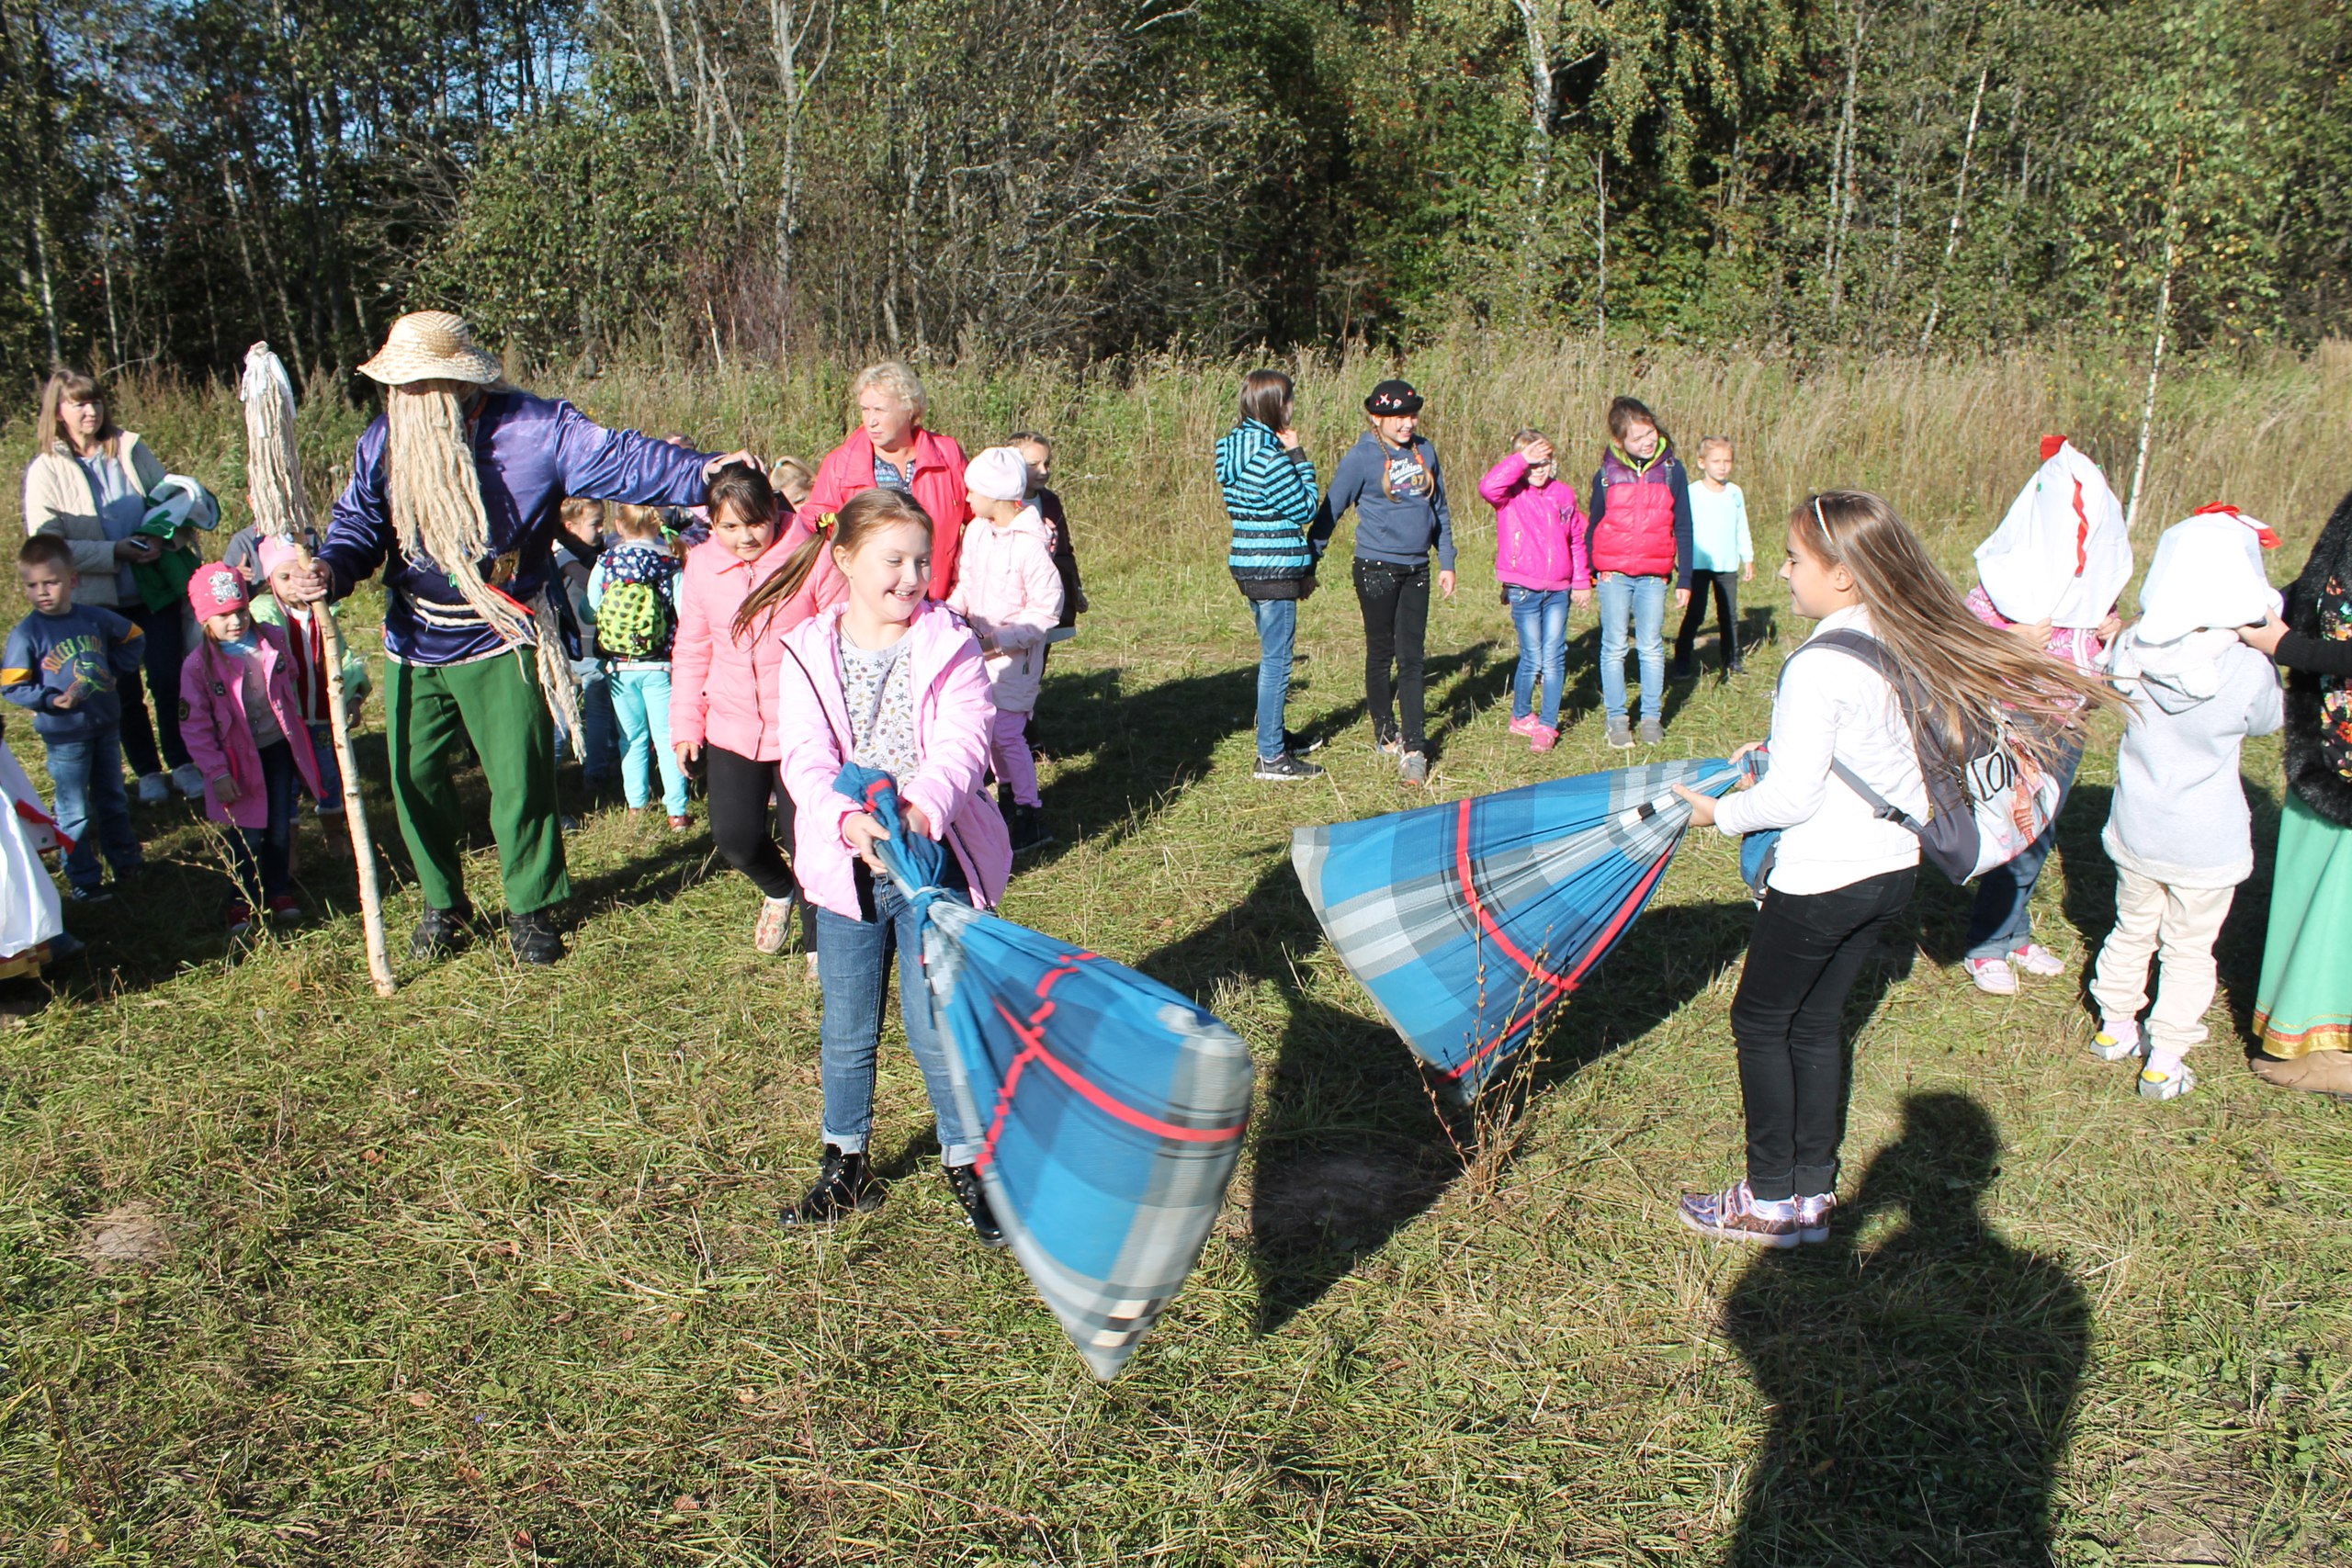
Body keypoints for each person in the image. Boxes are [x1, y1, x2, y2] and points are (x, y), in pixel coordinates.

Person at [1674, 491, 2119, 1246]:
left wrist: (1719, 815)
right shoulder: (1906, 638)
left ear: (1843, 575)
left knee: (1759, 1019)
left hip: (1821, 875)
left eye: (1793, 559)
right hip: (1892, 871)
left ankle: (1768, 1200)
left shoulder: (1819, 664)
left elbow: (1791, 796)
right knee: (1816, 1024)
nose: (1783, 573)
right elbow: (1876, 754)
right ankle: (1811, 1196)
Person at [282, 310, 751, 965]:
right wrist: (329, 569)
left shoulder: (535, 429)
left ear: (460, 385)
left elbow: (619, 457)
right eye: (401, 386)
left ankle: (530, 906)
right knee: (413, 779)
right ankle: (442, 902)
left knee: (520, 778)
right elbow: (359, 524)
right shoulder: (386, 442)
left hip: (503, 633)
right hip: (415, 638)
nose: (407, 399)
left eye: (422, 386)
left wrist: (704, 472)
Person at [772, 487, 1013, 1244]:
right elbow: (806, 755)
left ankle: (966, 1162)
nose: (911, 577)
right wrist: (846, 820)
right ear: (844, 559)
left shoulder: (949, 641)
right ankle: (845, 1165)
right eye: (893, 560)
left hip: (928, 862)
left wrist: (919, 813)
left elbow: (965, 740)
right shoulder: (808, 650)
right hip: (846, 868)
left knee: (936, 1021)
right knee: (846, 1028)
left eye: (921, 561)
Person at [2089, 508, 2284, 1100]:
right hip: (2205, 838)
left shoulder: (2130, 647)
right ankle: (2164, 1056)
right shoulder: (2246, 667)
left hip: (2137, 826)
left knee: (2132, 927)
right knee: (2190, 947)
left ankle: (2115, 1029)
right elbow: (2268, 723)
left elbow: (2109, 675)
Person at [1958, 437, 2131, 995]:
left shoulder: (2091, 585)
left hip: (2068, 722)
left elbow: (2091, 638)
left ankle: (2014, 932)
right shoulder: (2004, 582)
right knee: (2011, 827)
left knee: (2042, 830)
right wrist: (2013, 638)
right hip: (2014, 721)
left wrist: (2111, 627)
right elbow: (1962, 639)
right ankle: (1986, 941)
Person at [20, 367, 204, 803]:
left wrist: (162, 537)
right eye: (79, 403)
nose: (91, 410)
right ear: (59, 412)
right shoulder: (47, 468)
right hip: (96, 601)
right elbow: (47, 544)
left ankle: (182, 763)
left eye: (96, 400)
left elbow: (176, 501)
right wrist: (113, 552)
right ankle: (147, 772)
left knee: (168, 677)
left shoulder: (129, 448)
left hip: (152, 588)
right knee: (120, 689)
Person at [671, 463, 817, 955]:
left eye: (754, 522)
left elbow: (840, 633)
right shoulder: (702, 566)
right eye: (728, 526)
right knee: (734, 838)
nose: (744, 537)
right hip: (731, 725)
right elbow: (691, 648)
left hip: (803, 727)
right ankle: (780, 891)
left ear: (774, 511)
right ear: (711, 523)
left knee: (810, 844)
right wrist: (686, 724)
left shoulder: (811, 557)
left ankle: (823, 945)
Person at [2235, 486, 2352, 1097]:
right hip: (2331, 737)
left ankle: (2333, 1050)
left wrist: (2283, 648)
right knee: (2318, 876)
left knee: (2343, 896)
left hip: (2345, 749)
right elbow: (2318, 597)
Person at [1322, 378, 1457, 784]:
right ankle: (1385, 731)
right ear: (1376, 418)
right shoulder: (1362, 457)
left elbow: (1441, 509)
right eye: (1397, 417)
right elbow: (1331, 509)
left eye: (1411, 415)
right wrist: (1308, 561)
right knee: (1381, 653)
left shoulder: (1426, 450)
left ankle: (1414, 744)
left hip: (1417, 568)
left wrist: (1446, 559)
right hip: (1376, 569)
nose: (1406, 423)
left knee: (1412, 657)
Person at [179, 563, 325, 932]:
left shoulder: (273, 640)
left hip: (276, 749)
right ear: (205, 620)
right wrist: (216, 772)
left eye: (241, 610)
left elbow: (290, 675)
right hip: (235, 763)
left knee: (279, 825)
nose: (235, 621)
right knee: (246, 832)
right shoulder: (199, 667)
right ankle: (242, 899)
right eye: (223, 615)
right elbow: (195, 726)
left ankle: (277, 890)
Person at [2, 535, 146, 900]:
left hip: (105, 724)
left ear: (73, 580)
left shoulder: (94, 618)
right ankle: (83, 877)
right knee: (73, 807)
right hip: (65, 736)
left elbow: (135, 636)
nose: (42, 592)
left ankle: (127, 862)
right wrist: (50, 700)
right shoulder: (28, 633)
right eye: (32, 585)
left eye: (50, 582)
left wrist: (115, 668)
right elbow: (12, 685)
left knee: (113, 796)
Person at [946, 446, 1064, 853]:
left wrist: (998, 641)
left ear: (995, 496)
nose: (967, 499)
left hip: (1014, 661)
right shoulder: (978, 532)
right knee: (989, 733)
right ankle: (1008, 801)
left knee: (1008, 734)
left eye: (972, 492)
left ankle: (1029, 813)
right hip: (977, 654)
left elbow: (1046, 611)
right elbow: (968, 582)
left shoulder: (1030, 546)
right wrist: (949, 614)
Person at [1217, 368, 1331, 784]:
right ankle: (1270, 756)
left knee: (1272, 654)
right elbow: (1304, 507)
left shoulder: (1230, 447)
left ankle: (1274, 736)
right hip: (1275, 565)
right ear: (1273, 405)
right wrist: (1299, 454)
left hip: (1248, 559)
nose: (1292, 408)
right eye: (1288, 401)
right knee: (1278, 661)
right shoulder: (1269, 457)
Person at [798, 361, 971, 604]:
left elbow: (981, 514)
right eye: (865, 410)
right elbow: (815, 530)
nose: (870, 421)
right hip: (872, 606)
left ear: (909, 409)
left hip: (941, 600)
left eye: (879, 410)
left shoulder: (947, 454)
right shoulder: (840, 464)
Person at [1588, 396, 1694, 750]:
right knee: (1614, 647)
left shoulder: (1673, 470)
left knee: (1650, 648)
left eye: (1650, 433)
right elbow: (1595, 524)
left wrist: (1686, 577)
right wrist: (1589, 570)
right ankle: (1617, 720)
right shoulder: (1605, 475)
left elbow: (1684, 526)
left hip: (1654, 575)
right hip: (1613, 574)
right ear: (1619, 442)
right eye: (1637, 438)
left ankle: (1651, 717)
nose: (1647, 442)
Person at [1479, 427, 1589, 751]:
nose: (1537, 471)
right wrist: (1521, 459)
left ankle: (1548, 725)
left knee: (1555, 657)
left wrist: (1582, 581)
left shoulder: (1564, 494)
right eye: (1531, 464)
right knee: (1533, 657)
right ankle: (1521, 715)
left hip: (1559, 589)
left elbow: (1576, 540)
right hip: (1523, 588)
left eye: (1543, 463)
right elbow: (1488, 486)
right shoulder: (1509, 495)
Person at [252, 537, 370, 818]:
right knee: (287, 779)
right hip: (285, 720)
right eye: (284, 577)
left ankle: (334, 826)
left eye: (301, 575)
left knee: (328, 772)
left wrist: (352, 695)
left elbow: (343, 657)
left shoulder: (323, 614)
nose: (294, 584)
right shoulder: (264, 619)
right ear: (270, 579)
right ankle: (289, 835)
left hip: (321, 715)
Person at [590, 504, 690, 827]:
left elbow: (589, 608)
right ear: (658, 525)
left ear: (619, 525)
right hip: (660, 665)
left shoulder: (607, 561)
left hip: (619, 667)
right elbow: (684, 609)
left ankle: (636, 805)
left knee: (631, 737)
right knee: (666, 736)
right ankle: (677, 811)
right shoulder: (668, 563)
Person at [550, 497, 616, 791]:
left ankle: (595, 772)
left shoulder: (584, 549)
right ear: (570, 526)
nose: (601, 529)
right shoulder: (562, 554)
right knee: (566, 712)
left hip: (585, 644)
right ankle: (592, 772)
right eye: (595, 524)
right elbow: (588, 580)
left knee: (590, 708)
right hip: (575, 643)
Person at [1673, 434, 1753, 678]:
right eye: (1716, 460)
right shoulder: (1692, 493)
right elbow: (1681, 527)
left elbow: (1742, 526)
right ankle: (1682, 660)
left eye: (1727, 461)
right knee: (1695, 613)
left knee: (1728, 614)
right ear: (1701, 462)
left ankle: (1732, 662)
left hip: (1727, 565)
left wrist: (1747, 557)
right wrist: (1679, 558)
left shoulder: (1735, 493)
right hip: (1698, 565)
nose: (1722, 466)